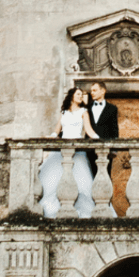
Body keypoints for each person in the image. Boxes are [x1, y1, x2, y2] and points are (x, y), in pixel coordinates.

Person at [40, 87, 98, 217]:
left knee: (80, 182)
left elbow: (89, 131)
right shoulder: (64, 112)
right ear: (71, 96)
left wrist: (100, 140)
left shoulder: (84, 111)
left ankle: (82, 210)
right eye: (78, 94)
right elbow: (56, 131)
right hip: (62, 149)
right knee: (54, 180)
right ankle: (52, 209)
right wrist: (49, 137)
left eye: (81, 95)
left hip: (77, 149)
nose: (80, 97)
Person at [85, 82, 119, 177]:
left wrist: (114, 149)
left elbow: (114, 129)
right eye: (91, 91)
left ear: (103, 91)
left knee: (106, 175)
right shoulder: (87, 108)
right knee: (90, 175)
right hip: (89, 148)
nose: (92, 93)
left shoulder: (112, 109)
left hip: (106, 149)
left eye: (94, 90)